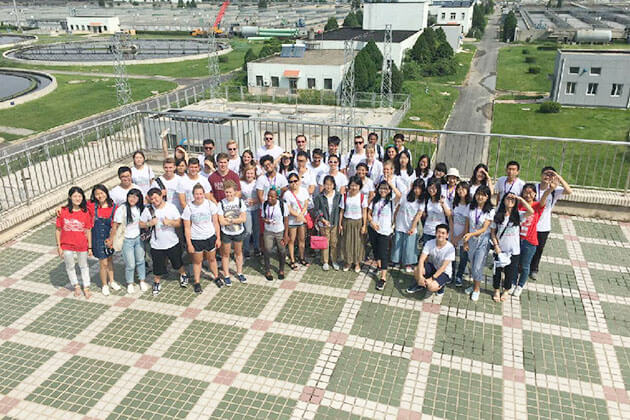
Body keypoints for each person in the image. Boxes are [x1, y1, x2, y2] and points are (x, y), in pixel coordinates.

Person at [141, 188, 189, 296]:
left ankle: (183, 275)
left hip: (172, 242)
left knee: (177, 263)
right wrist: (149, 223)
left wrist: (170, 222)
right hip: (156, 244)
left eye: (156, 197)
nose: (154, 200)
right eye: (151, 199)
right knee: (157, 266)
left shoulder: (171, 207)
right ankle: (157, 282)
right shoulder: (148, 210)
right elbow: (140, 223)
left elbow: (178, 223)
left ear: (161, 196)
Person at [529, 167, 572, 280]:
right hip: (530, 223)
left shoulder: (555, 190)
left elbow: (569, 191)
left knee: (539, 249)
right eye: (545, 174)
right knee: (526, 246)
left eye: (550, 175)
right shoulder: (534, 186)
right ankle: (523, 266)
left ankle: (534, 269)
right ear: (541, 175)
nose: (547, 177)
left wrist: (558, 177)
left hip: (544, 226)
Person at [490, 193, 533, 302]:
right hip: (499, 249)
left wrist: (520, 199)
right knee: (497, 271)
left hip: (514, 251)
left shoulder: (518, 215)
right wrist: (496, 246)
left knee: (510, 272)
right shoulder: (498, 215)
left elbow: (531, 211)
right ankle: (496, 290)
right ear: (503, 200)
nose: (510, 200)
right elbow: (492, 233)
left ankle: (505, 290)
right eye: (508, 198)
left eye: (513, 199)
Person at [513, 182, 553, 297]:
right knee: (515, 263)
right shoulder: (518, 205)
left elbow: (544, 197)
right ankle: (511, 282)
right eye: (526, 192)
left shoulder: (537, 206)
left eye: (531, 192)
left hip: (530, 242)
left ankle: (520, 285)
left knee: (525, 266)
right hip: (516, 239)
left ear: (535, 194)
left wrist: (550, 189)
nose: (528, 194)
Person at [182, 184, 221, 292]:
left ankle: (216, 277)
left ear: (204, 194)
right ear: (193, 195)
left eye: (200, 194)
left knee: (212, 259)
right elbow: (187, 228)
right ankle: (197, 282)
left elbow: (216, 223)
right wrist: (189, 243)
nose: (198, 196)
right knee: (197, 262)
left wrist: (218, 238)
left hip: (209, 237)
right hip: (196, 239)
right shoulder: (189, 207)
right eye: (196, 194)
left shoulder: (210, 205)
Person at [56, 186, 93, 298]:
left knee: (83, 265)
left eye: (80, 196)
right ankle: (76, 285)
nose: (77, 198)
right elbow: (58, 230)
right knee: (70, 266)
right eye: (75, 196)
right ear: (70, 197)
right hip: (66, 244)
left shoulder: (85, 212)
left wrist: (90, 247)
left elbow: (88, 230)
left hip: (81, 244)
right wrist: (59, 246)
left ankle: (86, 286)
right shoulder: (62, 211)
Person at [110, 189, 147, 294]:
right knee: (130, 264)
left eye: (135, 197)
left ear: (139, 198)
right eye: (130, 196)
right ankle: (130, 283)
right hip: (126, 240)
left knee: (140, 260)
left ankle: (142, 280)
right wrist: (111, 239)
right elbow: (115, 225)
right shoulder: (122, 208)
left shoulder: (140, 208)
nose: (132, 199)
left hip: (139, 238)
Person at [462, 185, 494, 301]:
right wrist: (465, 240)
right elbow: (467, 224)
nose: (480, 197)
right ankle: (474, 284)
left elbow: (485, 228)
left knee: (478, 266)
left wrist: (470, 234)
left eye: (483, 195)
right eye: (478, 194)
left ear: (487, 197)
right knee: (472, 263)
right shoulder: (470, 207)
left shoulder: (490, 210)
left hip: (483, 241)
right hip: (470, 240)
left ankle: (476, 289)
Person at [407, 224, 455, 295]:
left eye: (443, 233)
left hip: (444, 272)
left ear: (447, 235)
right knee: (417, 269)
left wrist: (432, 279)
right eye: (438, 232)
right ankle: (420, 285)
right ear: (435, 233)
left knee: (431, 287)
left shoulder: (450, 248)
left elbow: (443, 267)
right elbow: (421, 260)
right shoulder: (430, 243)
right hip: (432, 267)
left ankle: (441, 286)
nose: (440, 235)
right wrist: (420, 276)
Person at [89, 185, 120, 296]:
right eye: (97, 194)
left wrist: (112, 239)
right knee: (103, 263)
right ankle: (104, 284)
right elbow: (78, 205)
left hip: (109, 238)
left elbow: (116, 224)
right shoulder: (92, 206)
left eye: (102, 193)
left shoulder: (114, 207)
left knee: (110, 260)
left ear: (106, 193)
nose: (100, 196)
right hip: (97, 238)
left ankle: (112, 281)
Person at [217, 181, 248, 286]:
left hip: (238, 232)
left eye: (230, 192)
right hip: (226, 233)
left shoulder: (240, 202)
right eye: (226, 192)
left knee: (238, 253)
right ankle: (226, 275)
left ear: (235, 191)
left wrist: (230, 220)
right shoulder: (221, 203)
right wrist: (236, 219)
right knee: (225, 254)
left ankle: (239, 272)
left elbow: (243, 219)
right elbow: (221, 221)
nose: (228, 195)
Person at [391, 178, 424, 273]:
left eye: (419, 188)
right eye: (415, 187)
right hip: (400, 223)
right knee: (398, 242)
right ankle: (396, 261)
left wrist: (413, 227)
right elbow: (398, 207)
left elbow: (419, 215)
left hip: (411, 225)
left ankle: (408, 263)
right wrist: (394, 220)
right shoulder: (405, 196)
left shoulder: (421, 201)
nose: (416, 190)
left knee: (409, 245)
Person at [368, 180, 396, 290]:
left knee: (383, 253)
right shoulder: (375, 200)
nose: (383, 191)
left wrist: (391, 183)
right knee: (375, 250)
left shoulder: (392, 201)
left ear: (389, 190)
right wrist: (372, 223)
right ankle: (379, 267)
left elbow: (399, 195)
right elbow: (369, 213)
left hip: (385, 231)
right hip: (373, 229)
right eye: (381, 188)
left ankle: (383, 278)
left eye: (385, 189)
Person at [313, 175, 343, 271]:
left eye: (330, 185)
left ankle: (334, 260)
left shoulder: (338, 196)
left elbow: (340, 209)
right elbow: (316, 210)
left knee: (334, 242)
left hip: (334, 222)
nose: (328, 187)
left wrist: (339, 223)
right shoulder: (320, 196)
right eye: (326, 184)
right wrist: (323, 219)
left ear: (334, 185)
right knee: (325, 242)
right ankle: (325, 261)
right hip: (324, 223)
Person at [339, 176, 368, 273]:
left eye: (356, 185)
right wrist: (340, 224)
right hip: (347, 221)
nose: (354, 188)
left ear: (360, 186)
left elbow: (364, 211)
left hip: (358, 222)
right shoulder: (345, 196)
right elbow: (342, 211)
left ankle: (357, 263)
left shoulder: (362, 197)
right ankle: (348, 262)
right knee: (347, 242)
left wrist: (364, 225)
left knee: (358, 243)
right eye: (352, 185)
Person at [261, 188, 289, 280]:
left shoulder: (282, 205)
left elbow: (286, 220)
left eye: (272, 196)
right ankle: (268, 270)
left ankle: (281, 270)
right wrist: (266, 220)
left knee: (282, 250)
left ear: (277, 197)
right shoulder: (265, 204)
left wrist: (285, 235)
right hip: (268, 231)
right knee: (267, 250)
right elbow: (262, 217)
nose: (269, 198)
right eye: (268, 196)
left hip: (279, 231)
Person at [284, 173, 311, 269]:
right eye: (291, 182)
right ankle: (292, 260)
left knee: (302, 239)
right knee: (291, 240)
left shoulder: (303, 191)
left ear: (299, 181)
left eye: (295, 181)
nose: (293, 183)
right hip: (292, 221)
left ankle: (302, 257)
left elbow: (306, 204)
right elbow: (288, 208)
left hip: (302, 220)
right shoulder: (287, 194)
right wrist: (298, 215)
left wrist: (301, 214)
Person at [449, 181, 471, 287]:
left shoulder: (470, 206)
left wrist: (458, 238)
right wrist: (452, 235)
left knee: (463, 257)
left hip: (464, 236)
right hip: (453, 234)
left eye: (463, 188)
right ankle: (451, 274)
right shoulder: (455, 203)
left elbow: (467, 226)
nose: (460, 190)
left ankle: (459, 275)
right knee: (451, 255)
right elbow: (451, 219)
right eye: (459, 188)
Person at [421, 177, 452, 243]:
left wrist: (443, 204)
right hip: (427, 231)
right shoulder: (426, 199)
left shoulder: (443, 199)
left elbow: (449, 214)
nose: (431, 190)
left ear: (438, 188)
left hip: (440, 233)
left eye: (434, 188)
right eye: (430, 187)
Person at [240, 165, 261, 258]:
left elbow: (261, 195)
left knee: (256, 230)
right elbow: (239, 196)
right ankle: (246, 249)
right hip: (246, 209)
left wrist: (255, 201)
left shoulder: (257, 182)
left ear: (254, 174)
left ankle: (256, 248)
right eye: (248, 173)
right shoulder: (241, 183)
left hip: (256, 208)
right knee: (247, 230)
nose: (249, 175)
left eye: (251, 173)